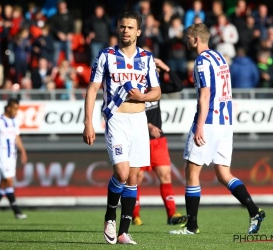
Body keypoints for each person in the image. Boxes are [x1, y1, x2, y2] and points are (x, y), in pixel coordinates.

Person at [169, 23, 265, 235]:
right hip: (225, 122)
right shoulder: (219, 57)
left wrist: (200, 126)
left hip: (210, 121)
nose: (186, 41)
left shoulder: (201, 61)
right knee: (223, 173)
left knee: (191, 172)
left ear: (195, 39)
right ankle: (254, 211)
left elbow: (205, 95)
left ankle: (192, 226)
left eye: (188, 37)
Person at [83, 11, 161, 245]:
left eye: (130, 27)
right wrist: (88, 121)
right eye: (122, 27)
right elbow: (93, 89)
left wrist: (143, 96)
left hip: (138, 120)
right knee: (122, 173)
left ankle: (124, 232)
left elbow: (157, 92)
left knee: (134, 177)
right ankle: (109, 217)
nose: (125, 31)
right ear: (118, 29)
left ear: (138, 31)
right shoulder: (106, 55)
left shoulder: (147, 58)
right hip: (116, 119)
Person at [132, 57, 187, 226]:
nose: (154, 73)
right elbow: (129, 112)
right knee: (137, 177)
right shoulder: (134, 89)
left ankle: (172, 215)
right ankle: (134, 216)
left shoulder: (156, 89)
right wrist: (148, 125)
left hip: (157, 141)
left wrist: (166, 67)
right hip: (138, 139)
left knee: (165, 175)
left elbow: (179, 86)